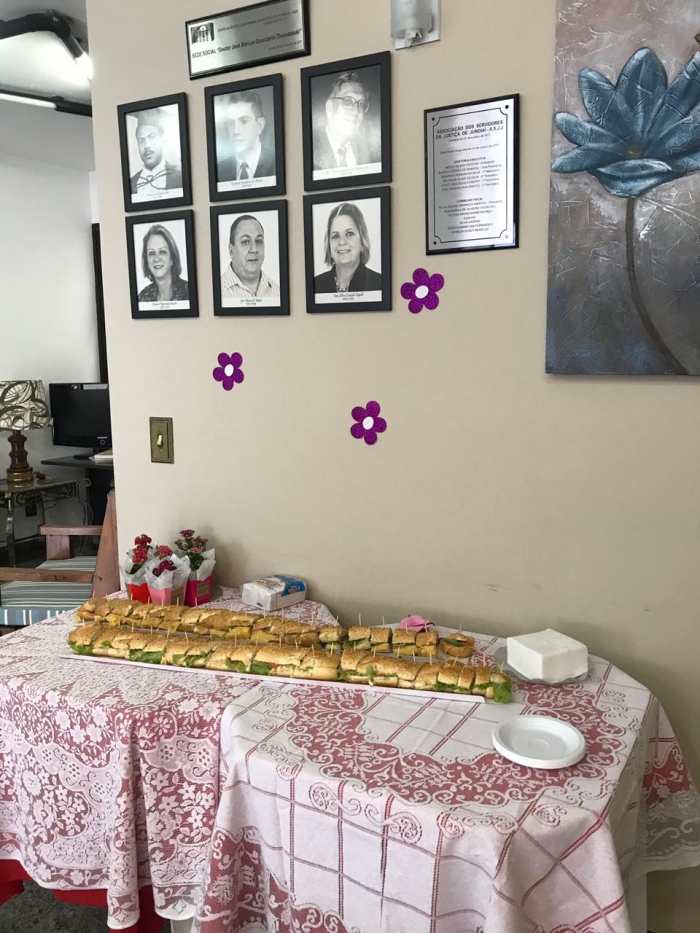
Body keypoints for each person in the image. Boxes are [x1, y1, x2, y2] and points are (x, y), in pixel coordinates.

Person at [313, 71, 380, 172]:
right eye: (347, 101)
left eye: (361, 104)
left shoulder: (373, 155)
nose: (356, 111)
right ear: (330, 107)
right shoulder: (310, 152)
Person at [314, 202, 382, 294]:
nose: (342, 242)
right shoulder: (315, 285)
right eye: (335, 236)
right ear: (329, 246)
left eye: (349, 233)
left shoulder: (380, 283)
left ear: (362, 242)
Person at [217, 91, 276, 184]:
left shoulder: (277, 164)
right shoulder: (219, 170)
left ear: (260, 125)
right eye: (231, 123)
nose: (236, 131)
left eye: (244, 121)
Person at [221, 215, 280, 302]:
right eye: (245, 242)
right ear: (231, 251)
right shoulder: (218, 292)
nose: (254, 249)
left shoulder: (278, 292)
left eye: (259, 241)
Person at [129, 109, 183, 197]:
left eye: (151, 137)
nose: (146, 145)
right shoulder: (131, 184)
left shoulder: (180, 176)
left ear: (162, 139)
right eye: (141, 141)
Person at [138, 224, 189, 303]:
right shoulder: (142, 297)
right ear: (146, 261)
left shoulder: (189, 292)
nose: (156, 258)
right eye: (151, 253)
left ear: (172, 258)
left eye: (162, 252)